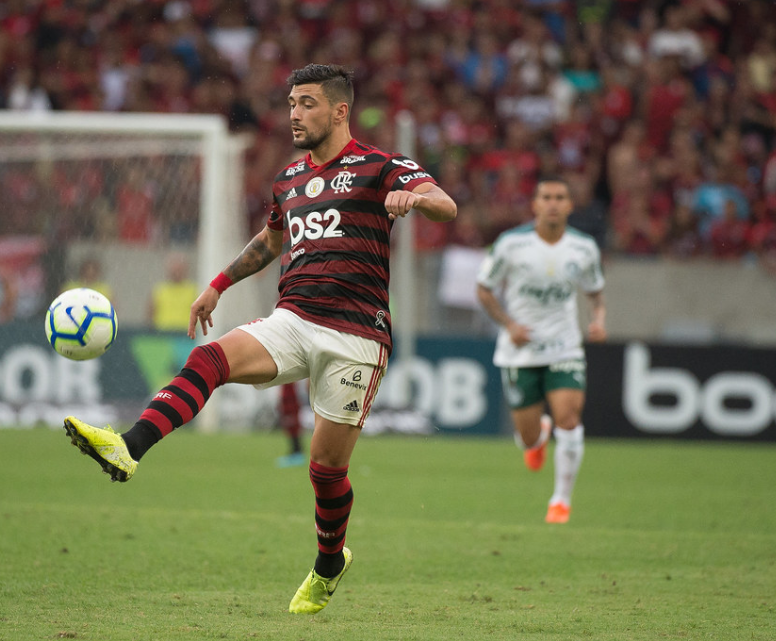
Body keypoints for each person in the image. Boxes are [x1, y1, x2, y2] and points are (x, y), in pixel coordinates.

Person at [62, 64, 457, 614]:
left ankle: (329, 561)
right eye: (292, 102)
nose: (295, 112)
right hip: (293, 317)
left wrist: (414, 200)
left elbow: (445, 202)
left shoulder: (380, 166)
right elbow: (271, 239)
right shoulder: (290, 178)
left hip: (357, 335)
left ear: (340, 111)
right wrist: (218, 284)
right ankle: (129, 447)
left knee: (325, 469)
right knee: (211, 357)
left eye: (309, 103)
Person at [476, 176, 606, 525]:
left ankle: (560, 501)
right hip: (521, 349)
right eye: (546, 197)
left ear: (569, 205)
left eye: (559, 197)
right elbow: (484, 288)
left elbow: (595, 291)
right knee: (528, 437)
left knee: (570, 419)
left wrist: (599, 319)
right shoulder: (511, 244)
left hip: (564, 346)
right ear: (534, 205)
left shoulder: (584, 248)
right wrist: (509, 325)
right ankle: (538, 438)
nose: (552, 203)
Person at [147, 252, 199, 331]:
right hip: (164, 335)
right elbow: (151, 313)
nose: (176, 273)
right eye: (174, 270)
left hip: (187, 335)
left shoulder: (194, 290)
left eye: (179, 269)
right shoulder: (159, 290)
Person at [277, 381, 306, 468]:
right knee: (291, 430)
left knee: (294, 429)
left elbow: (290, 395)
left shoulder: (289, 382)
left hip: (290, 406)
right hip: (289, 406)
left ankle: (297, 453)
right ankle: (295, 452)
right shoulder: (288, 383)